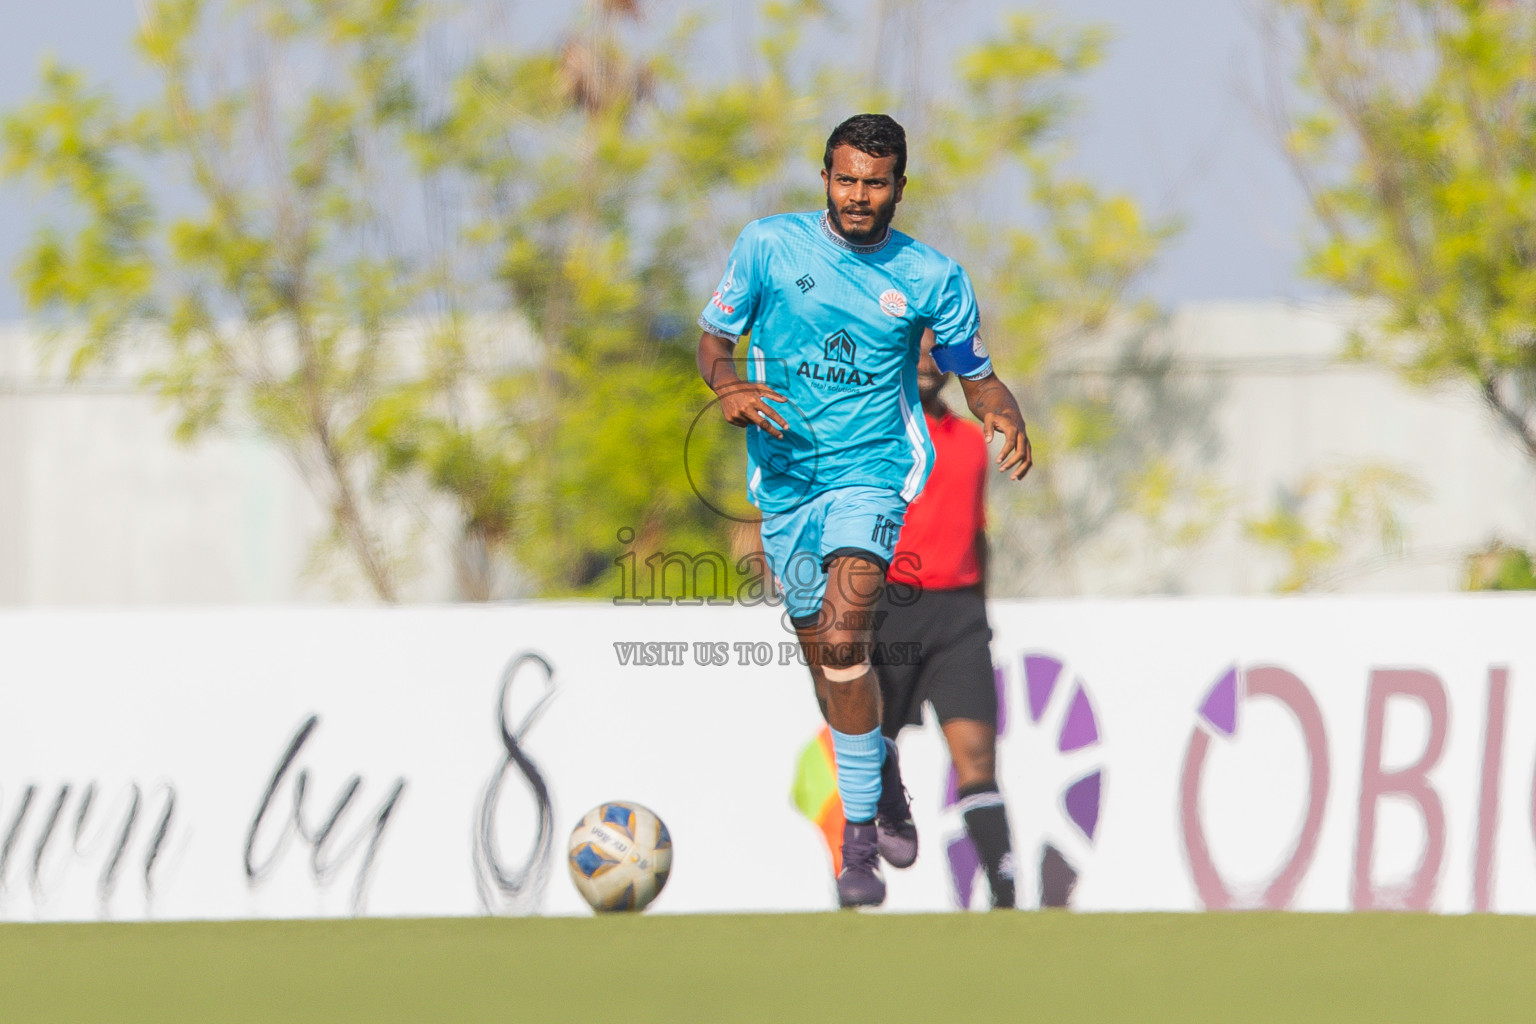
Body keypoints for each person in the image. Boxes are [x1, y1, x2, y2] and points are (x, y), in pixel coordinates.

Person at [696, 113, 1032, 908]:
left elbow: (974, 373)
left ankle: (857, 846)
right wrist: (727, 384)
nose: (858, 195)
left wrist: (1005, 410)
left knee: (848, 634)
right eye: (846, 179)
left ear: (899, 188)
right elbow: (713, 336)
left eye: (875, 183)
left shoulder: (931, 276)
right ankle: (879, 774)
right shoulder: (769, 247)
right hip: (784, 485)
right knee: (830, 667)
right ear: (824, 179)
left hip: (873, 476)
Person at [873, 330, 1016, 908]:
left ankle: (1008, 896)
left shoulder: (967, 440)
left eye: (939, 352)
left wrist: (981, 608)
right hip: (890, 606)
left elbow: (976, 534)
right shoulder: (875, 435)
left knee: (978, 759)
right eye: (918, 351)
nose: (929, 362)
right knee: (871, 750)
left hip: (958, 615)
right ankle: (858, 885)